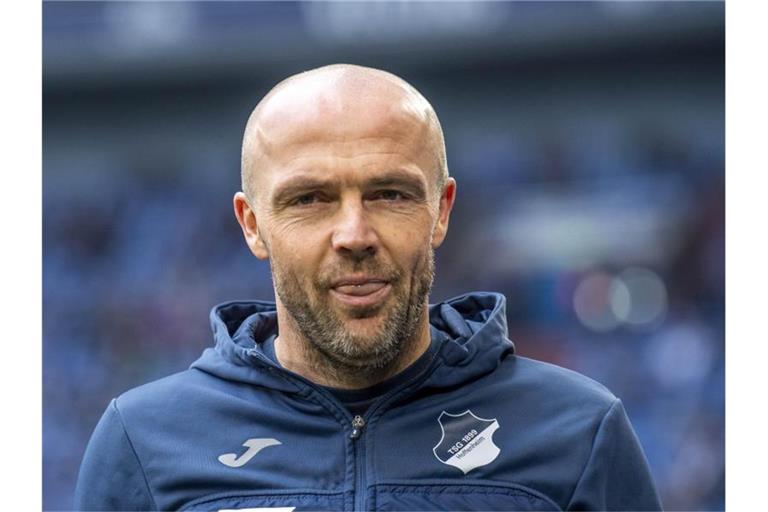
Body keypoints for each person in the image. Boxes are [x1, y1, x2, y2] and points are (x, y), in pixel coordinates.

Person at [74, 64, 662, 511]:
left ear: (440, 210)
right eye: (309, 199)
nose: (354, 234)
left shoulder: (579, 430)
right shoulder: (144, 439)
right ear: (252, 224)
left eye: (390, 194)